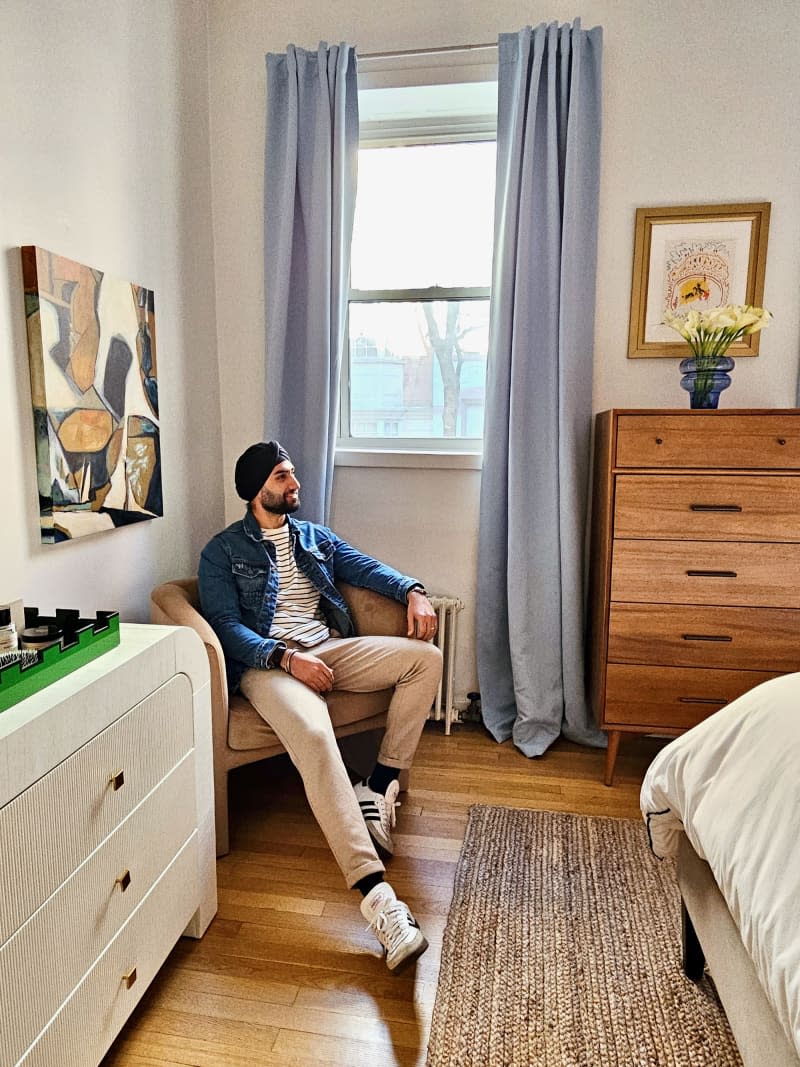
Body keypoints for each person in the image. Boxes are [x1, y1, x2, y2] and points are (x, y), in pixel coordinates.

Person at [198, 440, 443, 973]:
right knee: (312, 736)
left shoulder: (314, 537)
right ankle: (381, 904)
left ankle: (378, 785)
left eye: (293, 474)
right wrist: (285, 658)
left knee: (425, 660)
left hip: (328, 648)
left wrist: (415, 591)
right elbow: (226, 628)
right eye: (284, 477)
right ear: (256, 488)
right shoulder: (222, 552)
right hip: (269, 666)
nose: (296, 485)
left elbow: (366, 568)